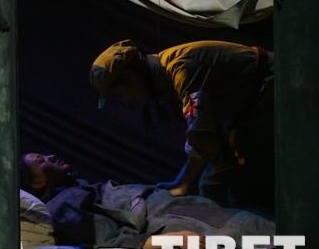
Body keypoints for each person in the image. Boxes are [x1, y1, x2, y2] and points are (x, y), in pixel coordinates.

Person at [88, 39, 274, 215]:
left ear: (131, 76)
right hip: (246, 111)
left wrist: (182, 183)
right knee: (212, 187)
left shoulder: (181, 69)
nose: (124, 102)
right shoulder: (164, 76)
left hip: (271, 89)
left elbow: (201, 136)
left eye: (118, 95)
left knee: (242, 192)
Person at [19, 152, 274, 249]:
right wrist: (169, 240)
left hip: (175, 208)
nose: (50, 156)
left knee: (263, 227)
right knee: (256, 229)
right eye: (41, 161)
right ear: (37, 183)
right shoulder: (62, 205)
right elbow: (106, 239)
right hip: (167, 217)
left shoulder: (76, 190)